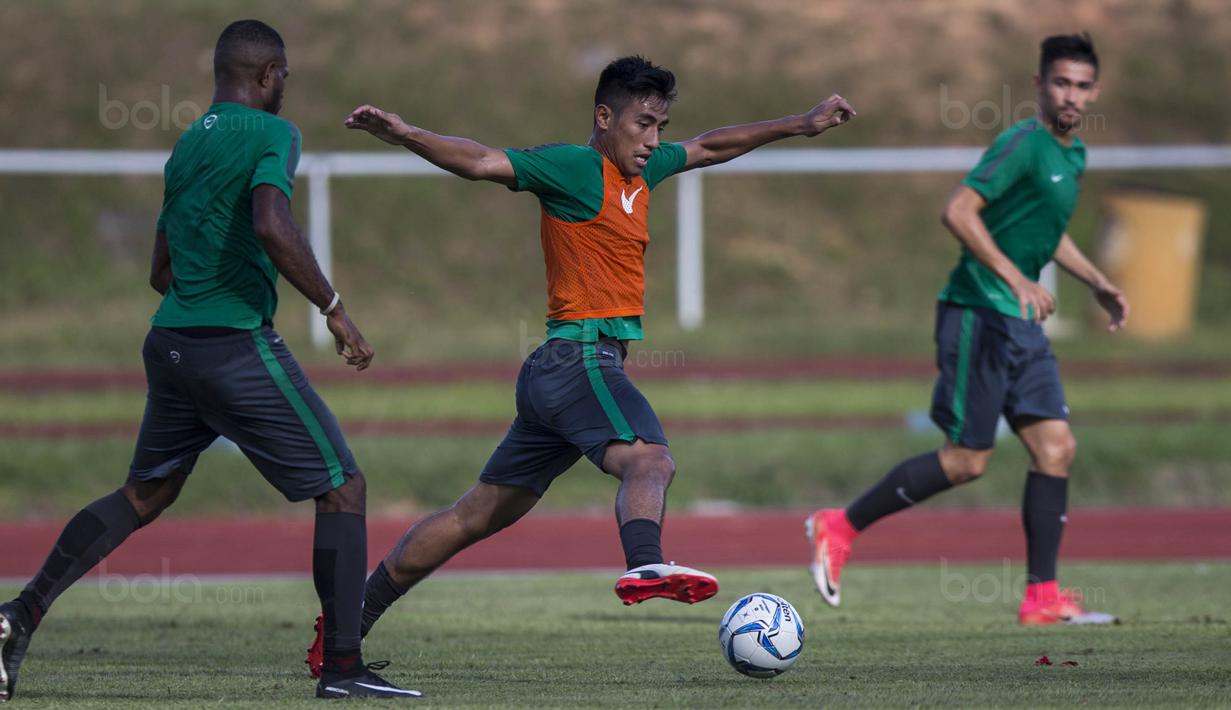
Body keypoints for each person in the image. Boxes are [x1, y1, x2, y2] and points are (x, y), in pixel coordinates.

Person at [304, 55, 855, 676]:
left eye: (661, 125)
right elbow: (482, 160)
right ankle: (646, 560)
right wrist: (406, 135)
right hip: (579, 360)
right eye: (643, 123)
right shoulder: (575, 167)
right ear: (604, 116)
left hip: (554, 374)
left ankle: (344, 631)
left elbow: (711, 145)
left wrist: (801, 125)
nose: (654, 139)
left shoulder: (645, 172)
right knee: (650, 460)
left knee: (472, 516)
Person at [0, 20, 420, 701]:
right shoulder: (273, 135)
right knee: (342, 485)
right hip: (231, 346)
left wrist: (206, 298)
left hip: (169, 344)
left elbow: (160, 269)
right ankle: (342, 668)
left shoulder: (186, 146)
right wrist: (333, 307)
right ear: (266, 74)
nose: (286, 88)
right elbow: (269, 223)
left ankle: (19, 613)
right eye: (284, 76)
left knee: (144, 494)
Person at [806, 33, 1127, 625]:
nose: (1072, 94)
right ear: (1038, 85)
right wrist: (1018, 280)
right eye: (1061, 82)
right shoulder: (1024, 144)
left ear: (1095, 91)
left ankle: (1041, 597)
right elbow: (958, 210)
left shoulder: (1072, 154)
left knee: (1057, 449)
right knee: (966, 462)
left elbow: (1043, 229)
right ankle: (840, 525)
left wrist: (1095, 281)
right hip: (978, 315)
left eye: (1082, 85)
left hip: (1023, 325)